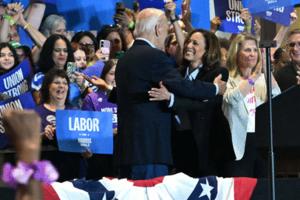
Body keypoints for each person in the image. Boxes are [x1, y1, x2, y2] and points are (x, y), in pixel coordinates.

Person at [115, 8, 226, 180]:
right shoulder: (154, 57)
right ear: (158, 29)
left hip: (127, 151)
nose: (166, 35)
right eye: (167, 30)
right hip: (151, 151)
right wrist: (215, 89)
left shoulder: (124, 59)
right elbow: (182, 85)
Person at [149, 29, 233, 177]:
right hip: (181, 144)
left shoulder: (218, 73)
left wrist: (172, 99)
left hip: (209, 147)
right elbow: (198, 99)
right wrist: (202, 94)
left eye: (195, 43)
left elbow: (206, 105)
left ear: (208, 50)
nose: (188, 45)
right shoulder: (176, 73)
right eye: (188, 41)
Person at [222, 33, 281, 177]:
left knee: (262, 188)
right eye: (247, 50)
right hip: (237, 142)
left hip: (262, 140)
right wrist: (252, 77)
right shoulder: (227, 76)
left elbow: (277, 97)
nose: (252, 54)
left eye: (255, 50)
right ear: (236, 53)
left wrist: (266, 68)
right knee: (241, 189)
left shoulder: (263, 78)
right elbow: (232, 98)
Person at [34, 68, 80, 181]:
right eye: (57, 82)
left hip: (72, 174)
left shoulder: (75, 112)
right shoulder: (36, 113)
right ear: (48, 87)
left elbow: (84, 146)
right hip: (45, 175)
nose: (61, 86)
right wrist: (44, 135)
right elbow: (29, 141)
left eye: (65, 83)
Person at [81, 59, 118, 179]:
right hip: (99, 156)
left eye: (119, 74)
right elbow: (86, 133)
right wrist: (111, 131)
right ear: (103, 76)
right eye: (112, 74)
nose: (116, 77)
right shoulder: (92, 99)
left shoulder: (126, 99)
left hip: (122, 155)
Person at [31, 34, 74, 103]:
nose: (62, 53)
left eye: (65, 50)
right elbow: (40, 104)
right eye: (57, 50)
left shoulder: (74, 73)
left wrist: (83, 86)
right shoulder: (40, 77)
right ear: (49, 52)